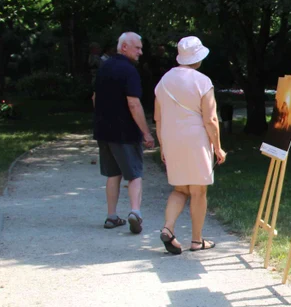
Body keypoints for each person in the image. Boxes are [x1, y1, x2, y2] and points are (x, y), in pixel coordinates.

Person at [154, 36, 226, 254]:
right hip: (195, 140)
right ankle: (197, 240)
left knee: (179, 189)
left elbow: (158, 118)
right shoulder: (203, 81)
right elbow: (211, 119)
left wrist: (163, 146)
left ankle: (168, 227)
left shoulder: (163, 81)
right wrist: (218, 147)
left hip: (171, 139)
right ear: (199, 57)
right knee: (198, 191)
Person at [92, 32, 154, 233]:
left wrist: (104, 116)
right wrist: (146, 133)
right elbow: (134, 104)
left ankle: (111, 216)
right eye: (137, 48)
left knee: (113, 174)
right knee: (134, 174)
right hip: (125, 131)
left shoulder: (104, 67)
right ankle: (135, 212)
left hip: (104, 130)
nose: (140, 52)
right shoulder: (129, 71)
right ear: (124, 47)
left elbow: (94, 98)